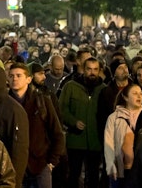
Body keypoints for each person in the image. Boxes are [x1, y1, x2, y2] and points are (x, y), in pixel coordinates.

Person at [8, 62, 65, 188]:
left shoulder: (42, 101)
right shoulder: (5, 104)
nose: (14, 79)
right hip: (14, 166)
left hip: (40, 165)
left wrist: (51, 162)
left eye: (18, 75)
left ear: (28, 79)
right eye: (11, 76)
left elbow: (57, 133)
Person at [59, 56, 106, 187]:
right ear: (83, 70)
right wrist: (73, 122)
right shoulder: (70, 87)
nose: (92, 72)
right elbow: (61, 109)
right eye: (89, 69)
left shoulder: (103, 89)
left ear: (99, 70)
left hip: (95, 141)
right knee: (73, 175)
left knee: (93, 176)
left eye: (95, 69)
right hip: (75, 141)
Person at [104, 84, 142, 187]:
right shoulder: (114, 118)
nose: (139, 96)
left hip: (140, 169)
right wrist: (110, 164)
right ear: (125, 97)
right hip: (120, 169)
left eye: (141, 93)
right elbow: (108, 142)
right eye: (135, 93)